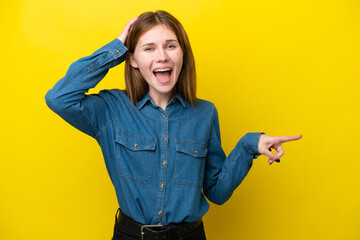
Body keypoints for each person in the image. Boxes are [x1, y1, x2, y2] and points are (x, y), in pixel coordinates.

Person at [45, 10, 302, 240]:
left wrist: (249, 146)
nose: (162, 57)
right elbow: (59, 98)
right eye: (149, 48)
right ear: (132, 59)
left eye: (170, 46)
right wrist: (117, 47)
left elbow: (218, 192)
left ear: (182, 54)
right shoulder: (112, 109)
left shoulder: (205, 113)